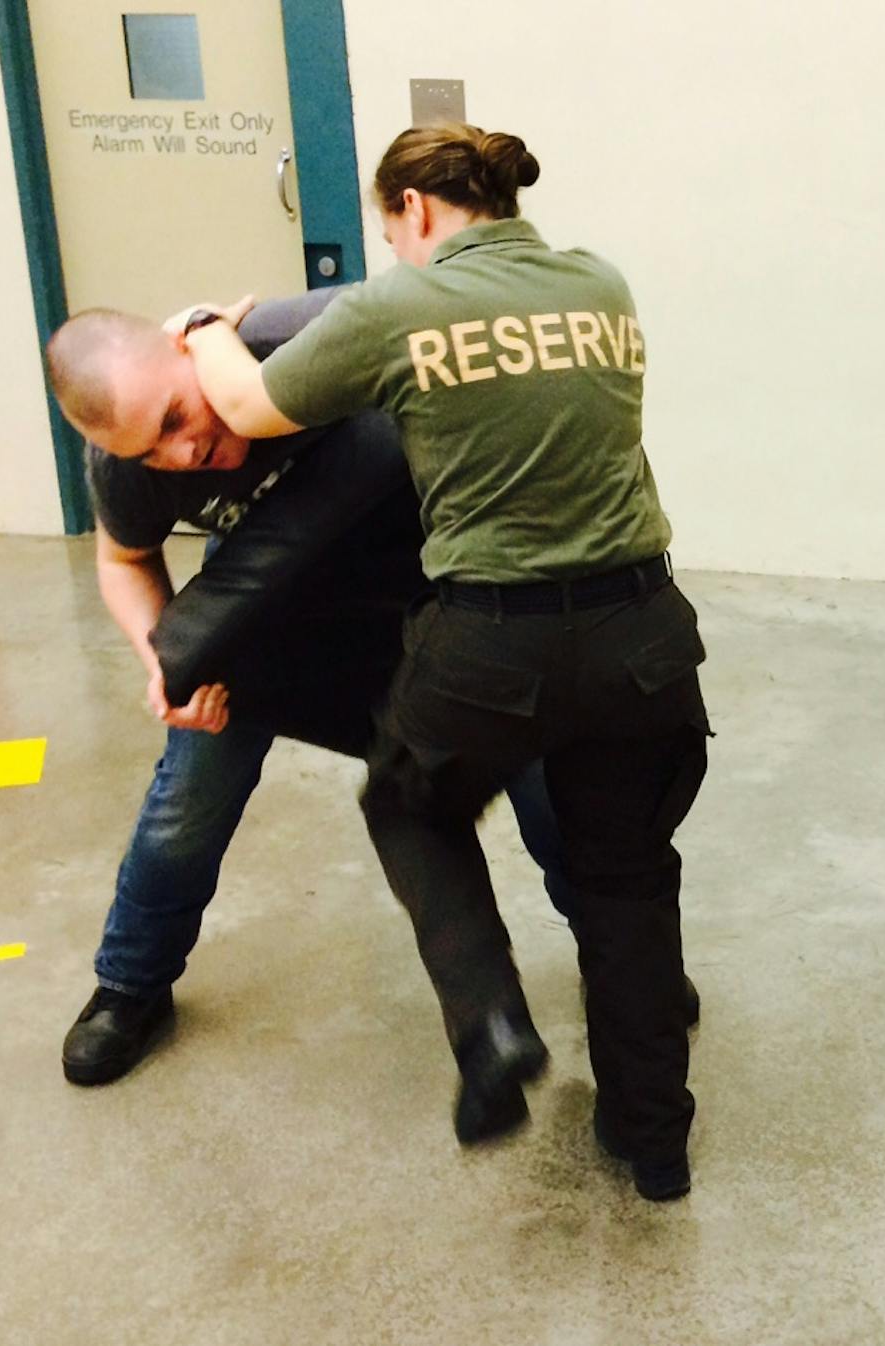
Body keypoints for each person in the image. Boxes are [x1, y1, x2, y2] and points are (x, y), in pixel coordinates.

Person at [176, 124, 710, 1200]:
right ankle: (653, 1143)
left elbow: (243, 403)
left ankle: (494, 1025)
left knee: (410, 805)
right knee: (628, 883)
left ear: (413, 211)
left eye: (389, 231)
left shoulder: (399, 306)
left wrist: (202, 330)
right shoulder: (602, 283)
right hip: (643, 635)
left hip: (492, 644)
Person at [44, 291, 604, 1087]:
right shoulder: (130, 463)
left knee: (544, 776)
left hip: (423, 598)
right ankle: (129, 985)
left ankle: (616, 951)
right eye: (151, 452)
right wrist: (165, 663)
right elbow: (122, 561)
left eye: (175, 419)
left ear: (189, 349)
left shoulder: (307, 341)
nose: (180, 454)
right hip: (270, 621)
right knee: (186, 805)